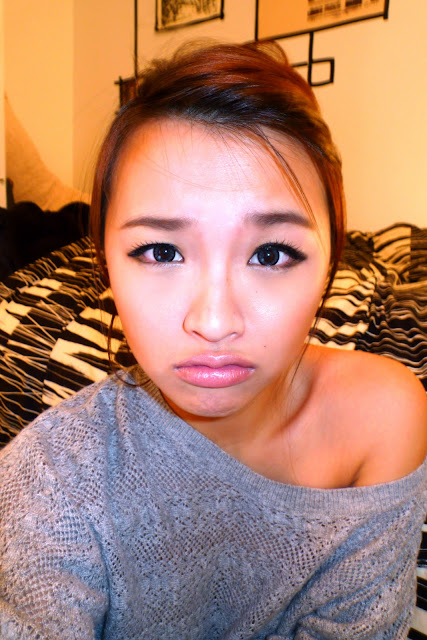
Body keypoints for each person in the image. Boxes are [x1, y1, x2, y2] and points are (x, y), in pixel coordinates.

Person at [0, 41, 426, 640]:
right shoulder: (50, 479)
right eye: (161, 251)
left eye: (271, 254)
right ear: (105, 266)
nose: (215, 320)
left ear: (330, 264)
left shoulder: (385, 417)